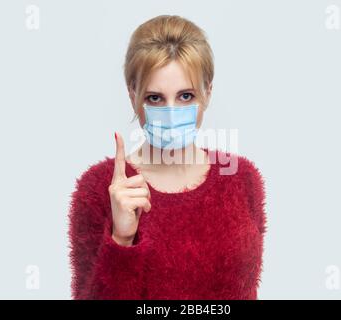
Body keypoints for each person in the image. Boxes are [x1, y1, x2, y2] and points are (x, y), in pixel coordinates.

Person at [68, 15, 267, 300]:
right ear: (133, 95)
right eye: (155, 98)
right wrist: (121, 240)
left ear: (207, 92)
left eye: (185, 96)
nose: (172, 112)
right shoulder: (100, 189)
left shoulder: (241, 178)